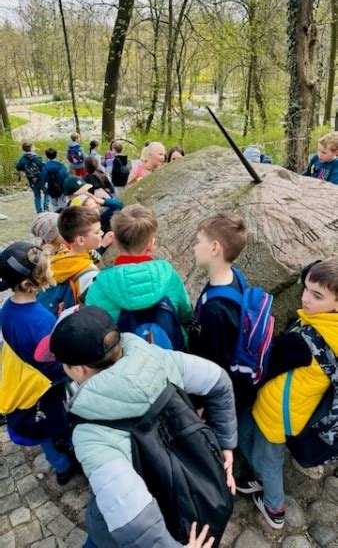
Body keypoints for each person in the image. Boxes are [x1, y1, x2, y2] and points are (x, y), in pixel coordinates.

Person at [45, 305, 237, 547]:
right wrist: (225, 444)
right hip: (196, 494)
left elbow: (134, 522)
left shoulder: (91, 433)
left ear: (79, 369)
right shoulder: (161, 358)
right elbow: (219, 382)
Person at [237, 258, 338, 529]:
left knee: (269, 458)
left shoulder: (303, 343)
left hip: (277, 413)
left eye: (317, 296)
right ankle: (260, 476)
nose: (305, 298)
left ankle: (275, 507)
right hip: (295, 408)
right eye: (305, 288)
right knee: (244, 430)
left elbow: (267, 368)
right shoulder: (330, 329)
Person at [0, 242, 74, 484]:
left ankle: (59, 464)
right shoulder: (40, 320)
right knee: (52, 421)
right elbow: (52, 360)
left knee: (43, 433)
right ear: (28, 283)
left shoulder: (7, 309)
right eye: (46, 269)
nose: (51, 270)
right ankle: (66, 463)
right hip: (45, 385)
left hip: (25, 379)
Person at [85, 204, 192, 345]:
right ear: (151, 243)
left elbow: (94, 331)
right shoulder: (169, 276)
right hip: (173, 354)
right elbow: (186, 314)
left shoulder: (98, 287)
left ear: (115, 241)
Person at [189, 214, 256, 411]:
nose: (194, 247)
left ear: (215, 248)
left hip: (218, 394)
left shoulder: (215, 310)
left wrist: (202, 405)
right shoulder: (235, 275)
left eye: (198, 241)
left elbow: (214, 365)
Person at [48, 207, 101, 307]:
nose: (101, 234)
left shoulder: (59, 258)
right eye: (97, 232)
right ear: (80, 240)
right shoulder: (90, 274)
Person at [16, 141, 49, 214]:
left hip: (31, 179)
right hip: (41, 178)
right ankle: (46, 208)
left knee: (37, 195)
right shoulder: (37, 158)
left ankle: (39, 212)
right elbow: (44, 166)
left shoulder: (22, 159)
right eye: (33, 146)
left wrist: (25, 170)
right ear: (31, 148)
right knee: (47, 192)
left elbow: (18, 167)